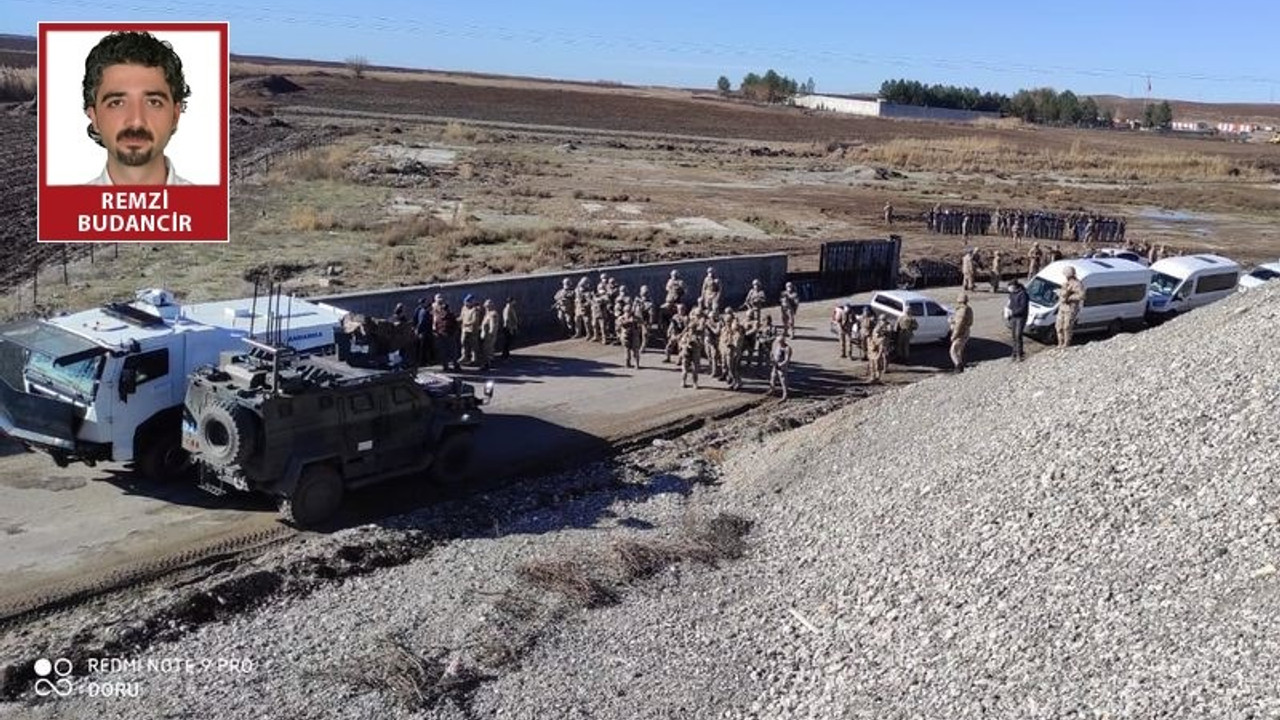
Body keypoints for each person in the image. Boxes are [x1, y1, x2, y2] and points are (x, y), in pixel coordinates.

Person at [83, 31, 192, 186]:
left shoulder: (212, 208)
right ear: (94, 117)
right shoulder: (65, 209)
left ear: (175, 115)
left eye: (153, 102)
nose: (136, 121)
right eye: (117, 103)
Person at [1055, 265, 1085, 348]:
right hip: (1062, 307)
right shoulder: (1065, 283)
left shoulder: (1077, 284)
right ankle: (1060, 343)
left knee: (1067, 327)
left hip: (1070, 308)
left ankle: (1066, 344)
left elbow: (1082, 296)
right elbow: (1062, 293)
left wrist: (1070, 298)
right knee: (1059, 326)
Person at [431, 295, 461, 373]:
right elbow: (435, 325)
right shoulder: (438, 316)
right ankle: (445, 366)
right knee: (443, 352)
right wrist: (436, 333)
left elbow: (455, 325)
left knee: (453, 351)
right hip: (441, 336)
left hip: (450, 335)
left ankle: (455, 364)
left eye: (445, 309)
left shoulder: (451, 316)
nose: (444, 311)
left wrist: (454, 333)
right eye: (443, 309)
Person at [948, 293, 974, 372]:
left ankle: (958, 366)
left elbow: (959, 324)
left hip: (961, 332)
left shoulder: (962, 310)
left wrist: (954, 335)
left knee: (953, 351)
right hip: (966, 331)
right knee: (959, 350)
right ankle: (960, 366)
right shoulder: (969, 309)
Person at [1005, 279, 1029, 362]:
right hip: (1013, 317)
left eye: (1010, 287)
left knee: (1018, 335)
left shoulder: (1023, 294)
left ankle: (1019, 354)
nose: (1009, 289)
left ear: (1014, 286)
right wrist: (1007, 311)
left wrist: (1013, 312)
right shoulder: (1012, 294)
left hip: (1020, 317)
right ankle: (1014, 353)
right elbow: (1010, 303)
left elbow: (1023, 308)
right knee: (1014, 336)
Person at [767, 333, 793, 400]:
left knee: (783, 379)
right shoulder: (777, 345)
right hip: (775, 363)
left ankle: (785, 394)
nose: (779, 343)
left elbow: (787, 359)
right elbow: (773, 353)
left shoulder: (787, 348)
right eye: (778, 342)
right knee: (772, 376)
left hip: (782, 365)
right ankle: (772, 389)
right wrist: (771, 358)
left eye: (780, 342)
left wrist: (781, 364)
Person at [459, 295, 483, 365]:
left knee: (474, 345)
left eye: (468, 302)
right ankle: (464, 356)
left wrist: (466, 323)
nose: (466, 304)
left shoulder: (475, 310)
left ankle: (474, 359)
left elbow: (474, 321)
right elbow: (461, 317)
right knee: (463, 343)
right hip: (464, 329)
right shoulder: (464, 308)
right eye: (465, 302)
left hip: (472, 330)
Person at [479, 299, 500, 370]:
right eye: (485, 306)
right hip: (485, 334)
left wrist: (491, 334)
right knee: (486, 350)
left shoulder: (493, 314)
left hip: (489, 335)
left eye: (487, 306)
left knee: (487, 350)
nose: (486, 308)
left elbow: (493, 325)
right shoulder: (487, 313)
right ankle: (487, 363)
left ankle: (487, 364)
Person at [413, 297, 433, 367]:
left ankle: (423, 361)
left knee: (423, 348)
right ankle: (422, 362)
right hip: (424, 332)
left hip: (424, 332)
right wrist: (418, 331)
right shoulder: (424, 312)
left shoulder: (421, 310)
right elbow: (421, 323)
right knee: (423, 348)